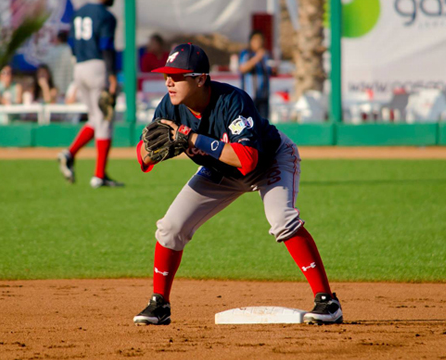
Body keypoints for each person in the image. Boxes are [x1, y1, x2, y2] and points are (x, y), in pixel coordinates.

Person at [133, 43, 343, 326]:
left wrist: (191, 138)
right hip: (219, 170)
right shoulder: (170, 106)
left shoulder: (232, 100)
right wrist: (153, 150)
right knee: (170, 227)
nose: (169, 81)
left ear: (200, 78)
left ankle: (328, 302)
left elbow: (248, 159)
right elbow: (144, 159)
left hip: (270, 160)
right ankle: (160, 304)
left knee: (282, 219)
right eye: (166, 76)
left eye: (178, 75)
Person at [57, 0, 123, 188]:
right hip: (98, 67)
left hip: (79, 67)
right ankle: (99, 176)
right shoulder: (106, 15)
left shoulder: (78, 13)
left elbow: (71, 43)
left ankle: (69, 154)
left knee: (95, 117)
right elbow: (106, 45)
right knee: (105, 120)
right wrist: (111, 75)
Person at [239, 30, 272, 119]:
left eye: (261, 40)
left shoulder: (266, 55)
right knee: (250, 121)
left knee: (264, 122)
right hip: (250, 96)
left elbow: (269, 70)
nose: (259, 42)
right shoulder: (246, 54)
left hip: (263, 95)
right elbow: (243, 68)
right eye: (256, 40)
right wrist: (257, 57)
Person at [43, 31, 74, 96]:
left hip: (56, 88)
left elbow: (44, 66)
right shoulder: (71, 51)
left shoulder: (52, 52)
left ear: (58, 39)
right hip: (69, 88)